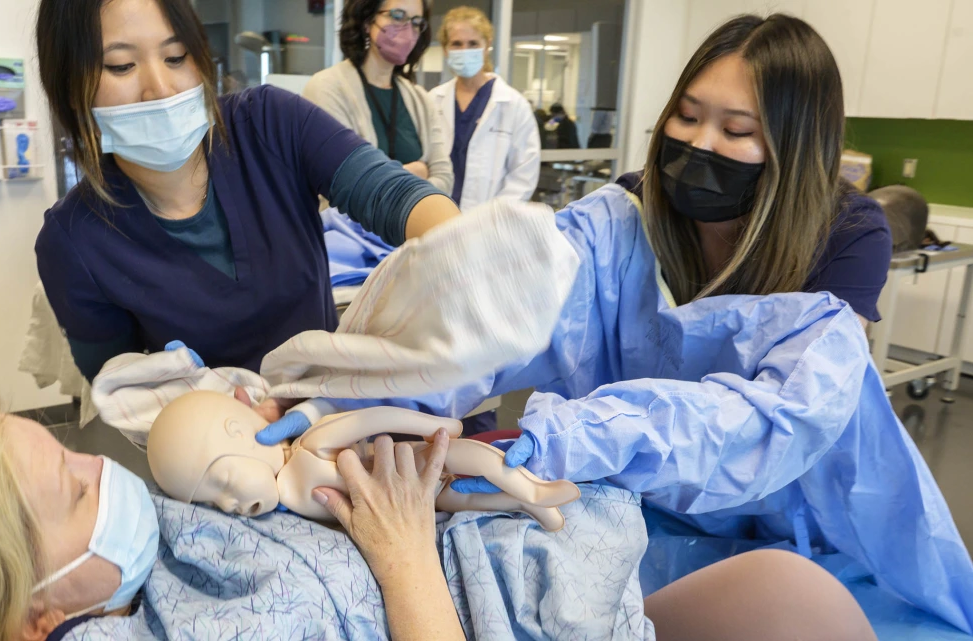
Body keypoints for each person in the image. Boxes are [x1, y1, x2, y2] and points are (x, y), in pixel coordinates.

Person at [259, 14, 973, 632]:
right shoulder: (622, 219)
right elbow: (502, 316)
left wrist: (563, 436)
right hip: (627, 501)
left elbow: (782, 417)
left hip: (783, 508)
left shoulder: (846, 234)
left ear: (794, 146)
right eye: (687, 115)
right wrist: (356, 396)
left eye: (737, 130)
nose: (699, 142)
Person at [0, 390, 878, 641]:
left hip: (486, 570)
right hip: (450, 602)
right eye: (71, 488)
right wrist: (404, 552)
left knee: (791, 593)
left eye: (71, 449)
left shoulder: (142, 558)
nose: (100, 474)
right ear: (29, 613)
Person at [33, 0, 460, 384]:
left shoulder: (270, 123)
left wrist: (475, 253)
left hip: (334, 412)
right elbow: (121, 389)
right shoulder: (75, 241)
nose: (161, 88)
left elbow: (394, 195)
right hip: (213, 452)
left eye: (177, 56)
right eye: (121, 66)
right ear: (72, 86)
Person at [303, 0, 453, 193]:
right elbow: (344, 186)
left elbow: (445, 180)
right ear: (367, 21)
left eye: (416, 22)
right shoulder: (327, 88)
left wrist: (383, 181)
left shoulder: (420, 99)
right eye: (397, 16)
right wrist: (417, 172)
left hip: (415, 224)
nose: (408, 31)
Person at [428, 6, 540, 211]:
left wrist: (491, 218)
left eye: (472, 43)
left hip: (488, 222)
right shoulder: (433, 100)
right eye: (456, 44)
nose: (464, 50)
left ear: (487, 45)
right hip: (435, 213)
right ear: (445, 49)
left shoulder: (514, 105)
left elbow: (523, 175)